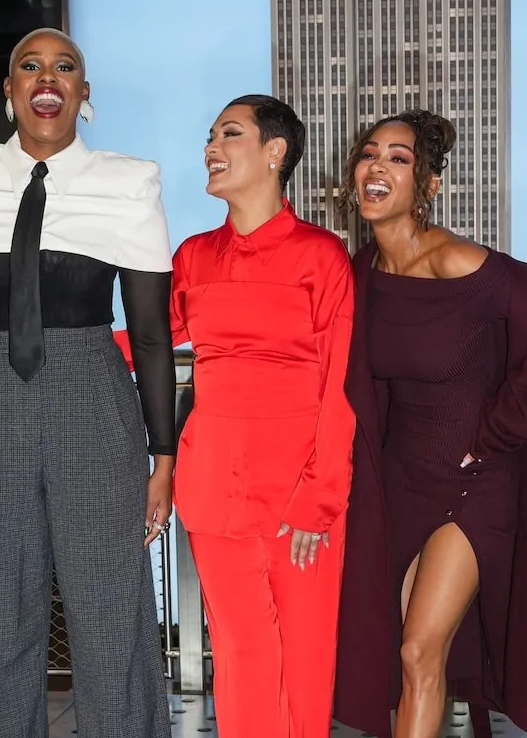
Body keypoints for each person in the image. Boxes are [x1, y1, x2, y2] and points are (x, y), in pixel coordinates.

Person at [0, 27, 175, 738]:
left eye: (65, 66)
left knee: (109, 610)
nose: (48, 75)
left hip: (93, 394)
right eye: (29, 65)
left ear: (83, 95)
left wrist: (165, 456)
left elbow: (152, 335)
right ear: (9, 92)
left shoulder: (130, 181)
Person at [332, 110, 527, 738]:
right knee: (409, 662)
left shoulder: (462, 265)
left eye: (398, 158)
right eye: (369, 154)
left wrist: (496, 431)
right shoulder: (361, 274)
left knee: (418, 651)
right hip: (397, 484)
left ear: (427, 186)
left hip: (473, 481)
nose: (376, 166)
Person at [118, 95, 355, 737]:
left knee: (303, 662)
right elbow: (148, 344)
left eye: (229, 134)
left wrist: (320, 497)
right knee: (241, 656)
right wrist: (66, 342)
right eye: (210, 135)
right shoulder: (194, 256)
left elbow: (340, 387)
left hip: (300, 494)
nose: (211, 148)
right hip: (213, 483)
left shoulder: (322, 257)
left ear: (275, 152)